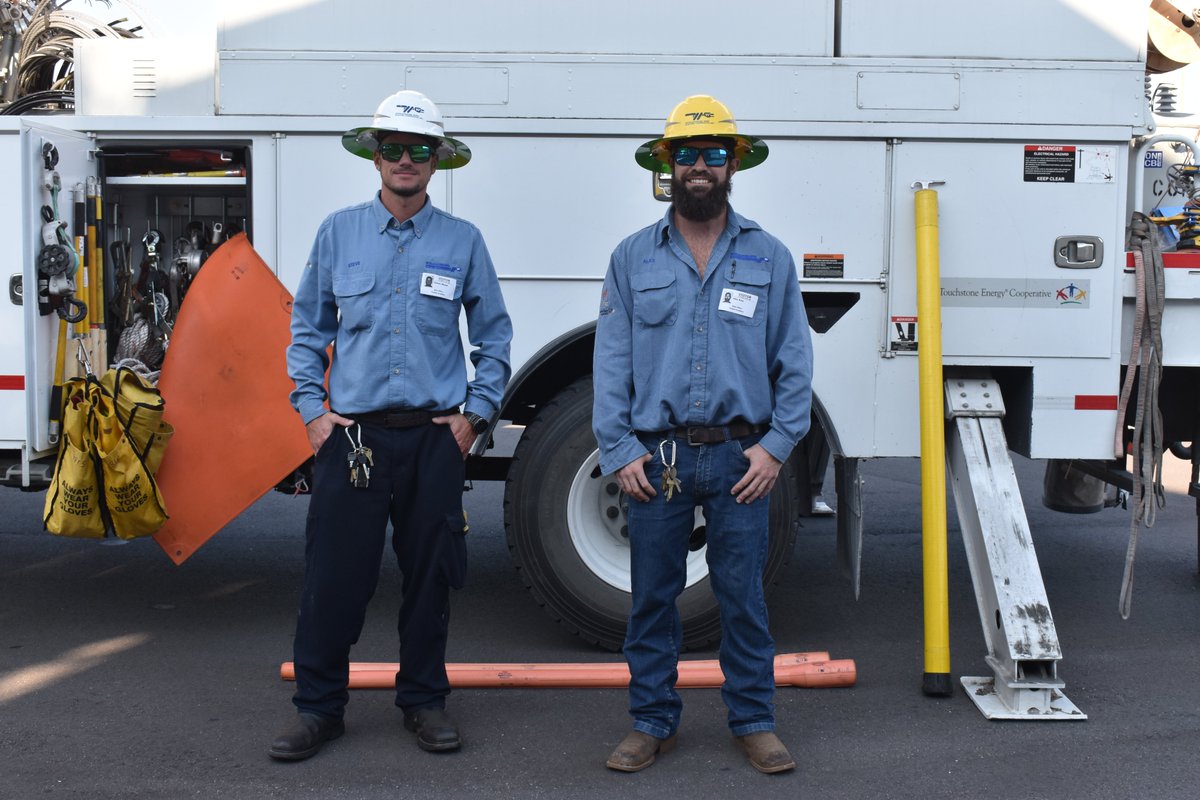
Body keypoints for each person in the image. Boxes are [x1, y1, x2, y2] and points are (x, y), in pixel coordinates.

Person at [271, 89, 512, 761]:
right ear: (375, 155)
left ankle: (424, 702)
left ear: (438, 160)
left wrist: (476, 417)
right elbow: (305, 330)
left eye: (420, 149)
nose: (405, 160)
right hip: (351, 440)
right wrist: (313, 415)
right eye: (393, 147)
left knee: (431, 575)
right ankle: (319, 708)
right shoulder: (337, 233)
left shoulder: (463, 242)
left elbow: (494, 337)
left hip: (435, 438)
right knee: (333, 577)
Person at [592, 95, 813, 774]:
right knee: (653, 597)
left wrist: (776, 447)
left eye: (713, 154)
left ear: (732, 165)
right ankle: (652, 720)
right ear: (667, 164)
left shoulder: (769, 257)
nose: (698, 166)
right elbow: (611, 361)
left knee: (742, 597)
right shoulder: (632, 258)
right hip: (655, 459)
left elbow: (795, 361)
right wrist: (618, 447)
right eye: (685, 153)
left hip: (738, 460)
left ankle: (753, 721)